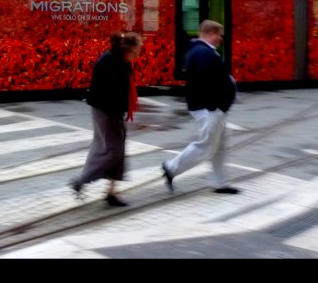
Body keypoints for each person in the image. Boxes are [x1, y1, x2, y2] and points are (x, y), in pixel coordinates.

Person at [161, 19, 240, 195]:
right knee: (206, 145)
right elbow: (208, 83)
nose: (221, 38)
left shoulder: (201, 51)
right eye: (219, 34)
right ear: (210, 33)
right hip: (210, 108)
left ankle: (220, 182)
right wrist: (217, 106)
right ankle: (171, 167)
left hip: (210, 107)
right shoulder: (203, 53)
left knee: (221, 144)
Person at [70, 31, 144, 207]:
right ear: (127, 49)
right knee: (111, 151)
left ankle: (111, 192)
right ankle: (81, 180)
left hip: (112, 111)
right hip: (106, 111)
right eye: (136, 52)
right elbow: (110, 92)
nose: (138, 55)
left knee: (116, 151)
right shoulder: (111, 62)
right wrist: (118, 114)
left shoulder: (120, 60)